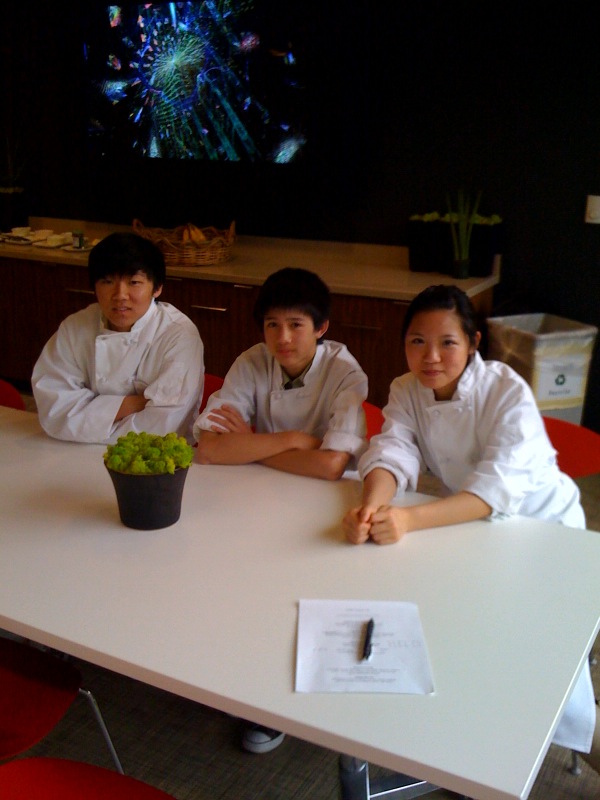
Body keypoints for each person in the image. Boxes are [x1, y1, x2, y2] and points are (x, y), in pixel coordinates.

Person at [343, 283, 599, 772]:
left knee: (535, 651)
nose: (431, 356)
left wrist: (408, 519)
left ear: (474, 342)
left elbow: (496, 488)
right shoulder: (405, 389)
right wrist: (373, 506)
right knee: (457, 620)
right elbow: (391, 451)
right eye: (417, 341)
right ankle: (464, 734)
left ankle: (561, 740)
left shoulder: (505, 390)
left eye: (447, 342)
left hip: (546, 530)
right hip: (472, 523)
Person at [194, 266, 368, 753]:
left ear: (322, 327)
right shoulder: (252, 361)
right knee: (234, 582)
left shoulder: (346, 373)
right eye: (272, 325)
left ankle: (282, 706)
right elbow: (207, 448)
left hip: (319, 506)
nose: (283, 338)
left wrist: (248, 443)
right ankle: (236, 678)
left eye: (296, 325)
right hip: (253, 496)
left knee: (298, 596)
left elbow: (333, 466)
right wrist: (294, 441)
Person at [32, 232, 204, 445]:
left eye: (134, 282)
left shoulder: (178, 335)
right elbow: (54, 410)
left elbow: (162, 427)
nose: (120, 294)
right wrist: (129, 404)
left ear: (157, 288)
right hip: (73, 450)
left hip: (154, 460)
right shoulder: (75, 327)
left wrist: (90, 415)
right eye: (107, 281)